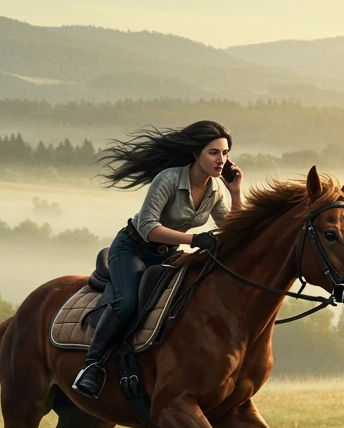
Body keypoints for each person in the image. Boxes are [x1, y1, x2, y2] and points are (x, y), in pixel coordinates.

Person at [72, 120, 243, 399]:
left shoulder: (216, 190)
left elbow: (234, 230)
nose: (220, 160)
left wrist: (235, 192)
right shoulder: (169, 179)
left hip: (167, 253)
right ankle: (91, 367)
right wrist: (193, 240)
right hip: (132, 249)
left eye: (225, 153)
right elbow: (148, 227)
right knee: (127, 303)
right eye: (213, 152)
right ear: (195, 154)